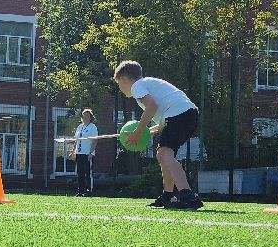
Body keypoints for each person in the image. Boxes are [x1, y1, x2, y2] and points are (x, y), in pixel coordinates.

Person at [113, 61, 202, 210]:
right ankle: (168, 196)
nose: (120, 89)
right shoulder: (149, 85)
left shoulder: (137, 86)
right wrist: (142, 131)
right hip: (187, 115)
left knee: (165, 153)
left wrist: (138, 131)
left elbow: (151, 106)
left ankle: (188, 196)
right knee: (162, 154)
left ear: (124, 79)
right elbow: (162, 123)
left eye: (119, 84)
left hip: (180, 115)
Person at [73, 108, 99, 196]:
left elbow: (95, 140)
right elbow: (76, 140)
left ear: (90, 117)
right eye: (84, 115)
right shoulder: (79, 127)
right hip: (79, 153)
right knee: (79, 173)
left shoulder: (93, 127)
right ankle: (80, 191)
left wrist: (91, 153)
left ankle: (89, 190)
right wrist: (73, 151)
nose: (85, 117)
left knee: (88, 172)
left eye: (87, 115)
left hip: (87, 153)